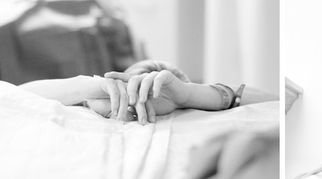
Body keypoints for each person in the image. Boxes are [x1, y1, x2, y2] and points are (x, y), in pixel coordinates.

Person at [21, 60, 270, 123]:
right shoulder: (85, 100)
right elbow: (10, 96)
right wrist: (88, 88)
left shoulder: (189, 100)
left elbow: (277, 102)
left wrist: (190, 96)